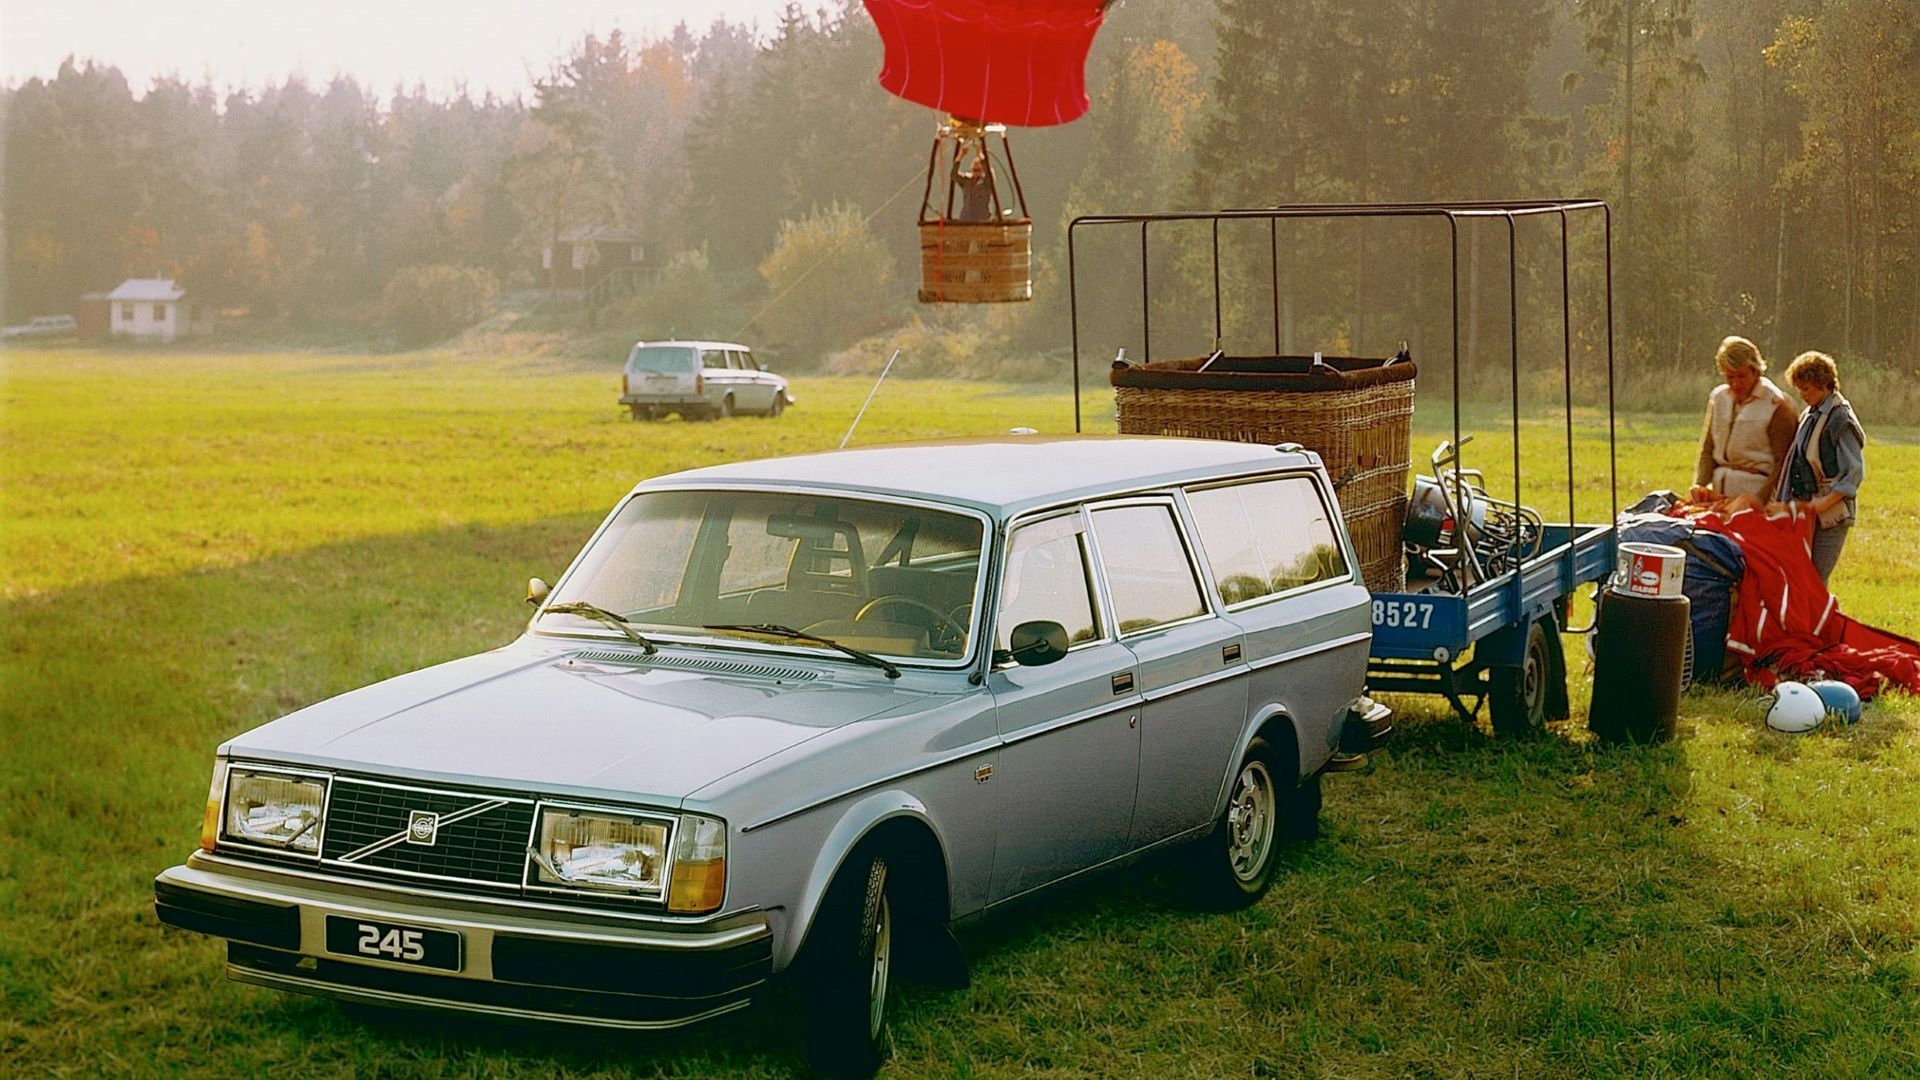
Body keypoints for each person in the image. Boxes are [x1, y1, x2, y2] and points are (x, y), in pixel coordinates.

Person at [1769, 351, 1866, 583]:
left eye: (1806, 388)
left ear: (1824, 384)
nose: (1802, 395)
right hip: (1806, 510)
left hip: (1832, 514)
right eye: (1799, 389)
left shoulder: (1841, 420)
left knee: (1815, 580)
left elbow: (1853, 473)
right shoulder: (1809, 415)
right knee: (1798, 577)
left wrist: (1822, 504)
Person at [1690, 335, 1795, 503]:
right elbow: (1708, 449)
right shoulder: (1719, 398)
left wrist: (1760, 500)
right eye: (1730, 377)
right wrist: (1700, 485)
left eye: (1741, 376)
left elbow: (1783, 463)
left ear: (1755, 371)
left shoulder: (1776, 404)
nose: (1736, 384)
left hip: (1755, 493)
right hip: (1718, 493)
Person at [952, 149, 995, 223]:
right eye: (974, 170)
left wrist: (980, 154)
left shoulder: (986, 182)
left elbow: (989, 173)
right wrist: (961, 155)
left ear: (982, 170)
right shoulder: (966, 181)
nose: (976, 172)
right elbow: (954, 174)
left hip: (982, 220)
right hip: (965, 219)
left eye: (979, 170)